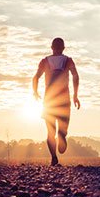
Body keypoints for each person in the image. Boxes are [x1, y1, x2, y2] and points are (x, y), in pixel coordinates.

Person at [32, 37, 80, 166]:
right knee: (63, 127)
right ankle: (62, 135)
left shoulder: (45, 61)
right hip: (64, 98)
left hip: (49, 99)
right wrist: (75, 95)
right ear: (63, 48)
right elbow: (75, 76)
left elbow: (36, 77)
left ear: (51, 48)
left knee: (50, 131)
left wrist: (35, 91)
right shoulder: (68, 60)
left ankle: (53, 157)